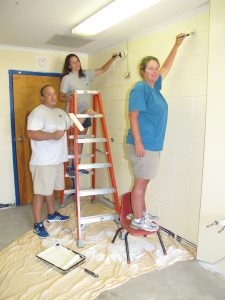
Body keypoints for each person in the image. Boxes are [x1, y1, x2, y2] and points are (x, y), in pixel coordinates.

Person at [126, 33, 186, 231]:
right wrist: (139, 142)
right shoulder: (140, 88)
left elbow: (166, 68)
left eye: (155, 68)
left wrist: (176, 46)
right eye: (150, 68)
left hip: (152, 144)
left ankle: (141, 214)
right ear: (142, 71)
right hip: (143, 144)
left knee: (144, 182)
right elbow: (133, 116)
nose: (154, 71)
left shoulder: (155, 88)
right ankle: (137, 219)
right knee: (141, 184)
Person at [27, 85, 90, 238]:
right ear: (42, 97)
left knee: (51, 190)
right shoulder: (37, 113)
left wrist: (86, 113)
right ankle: (37, 224)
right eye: (49, 94)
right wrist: (52, 135)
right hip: (43, 161)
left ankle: (52, 214)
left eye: (54, 93)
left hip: (56, 160)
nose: (53, 96)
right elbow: (31, 133)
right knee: (40, 193)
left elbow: (74, 122)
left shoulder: (60, 113)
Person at [60, 53, 118, 175]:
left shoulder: (85, 75)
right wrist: (70, 97)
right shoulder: (67, 78)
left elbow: (102, 70)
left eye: (78, 61)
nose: (76, 64)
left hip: (85, 114)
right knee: (72, 142)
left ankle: (77, 165)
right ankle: (70, 166)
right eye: (73, 62)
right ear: (69, 66)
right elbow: (61, 96)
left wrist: (112, 59)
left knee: (80, 140)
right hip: (73, 114)